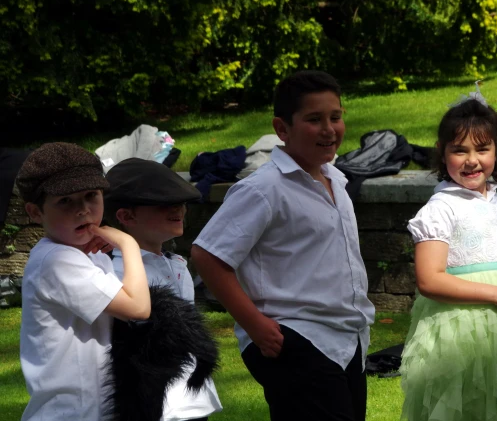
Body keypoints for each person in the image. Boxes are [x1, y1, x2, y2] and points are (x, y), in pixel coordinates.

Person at [190, 70, 375, 421]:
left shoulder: (336, 180)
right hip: (295, 337)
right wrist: (255, 325)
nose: (329, 129)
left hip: (345, 338)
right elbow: (208, 255)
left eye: (335, 117)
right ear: (282, 128)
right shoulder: (265, 188)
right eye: (314, 119)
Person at [400, 88, 497, 421]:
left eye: (482, 149)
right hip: (459, 333)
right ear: (443, 153)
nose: (472, 160)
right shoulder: (440, 209)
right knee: (467, 407)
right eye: (460, 150)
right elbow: (430, 280)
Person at [15, 142, 151, 421]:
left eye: (92, 195)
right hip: (70, 411)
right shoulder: (57, 260)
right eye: (65, 200)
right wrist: (129, 244)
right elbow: (138, 308)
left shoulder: (90, 254)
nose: (83, 210)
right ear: (35, 212)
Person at [104, 158, 223, 421]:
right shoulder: (113, 269)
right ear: (126, 216)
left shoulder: (177, 264)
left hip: (191, 398)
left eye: (181, 203)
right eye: (164, 205)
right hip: (152, 402)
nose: (178, 210)